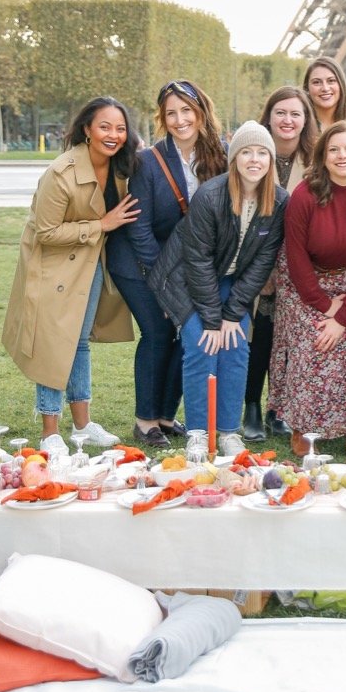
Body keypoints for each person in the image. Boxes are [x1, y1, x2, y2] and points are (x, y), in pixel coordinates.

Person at [2, 97, 140, 457]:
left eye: (120, 128)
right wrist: (100, 225)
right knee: (54, 342)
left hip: (89, 262)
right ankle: (50, 430)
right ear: (87, 130)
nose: (113, 135)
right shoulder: (60, 173)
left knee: (78, 341)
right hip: (51, 266)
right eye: (105, 127)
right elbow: (45, 232)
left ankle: (83, 424)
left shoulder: (121, 168)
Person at [148, 122, 287, 455]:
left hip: (231, 282)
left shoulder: (279, 201)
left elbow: (260, 266)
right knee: (201, 343)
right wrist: (212, 320)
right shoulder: (211, 194)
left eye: (262, 153)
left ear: (270, 159)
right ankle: (198, 431)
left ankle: (228, 432)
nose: (254, 160)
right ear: (234, 158)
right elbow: (197, 262)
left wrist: (232, 314)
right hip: (184, 278)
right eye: (246, 152)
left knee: (236, 342)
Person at [111, 78, 227, 447]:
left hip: (188, 265)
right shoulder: (148, 161)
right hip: (139, 263)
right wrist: (165, 287)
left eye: (186, 111)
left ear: (201, 111)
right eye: (171, 113)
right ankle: (145, 421)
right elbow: (140, 230)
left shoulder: (221, 155)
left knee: (187, 335)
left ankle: (164, 414)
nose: (179, 120)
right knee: (159, 333)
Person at [270, 121, 346, 453]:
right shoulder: (304, 195)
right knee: (312, 343)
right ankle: (302, 426)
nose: (342, 156)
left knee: (344, 347)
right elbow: (295, 258)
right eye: (334, 149)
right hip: (302, 279)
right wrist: (325, 307)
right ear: (323, 157)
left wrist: (344, 314)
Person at [242, 85, 318, 441]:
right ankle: (252, 406)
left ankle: (279, 408)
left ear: (306, 120)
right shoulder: (251, 153)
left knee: (289, 342)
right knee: (260, 338)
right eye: (281, 113)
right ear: (268, 117)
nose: (288, 120)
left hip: (299, 263)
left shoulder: (316, 161)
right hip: (256, 261)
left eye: (295, 114)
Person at [302, 56, 346, 132]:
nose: (325, 88)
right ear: (307, 88)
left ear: (341, 84)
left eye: (331, 81)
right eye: (316, 82)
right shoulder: (299, 123)